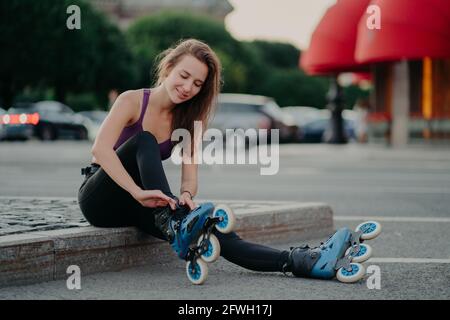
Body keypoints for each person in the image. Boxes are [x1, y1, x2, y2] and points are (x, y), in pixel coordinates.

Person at [77, 39, 362, 282]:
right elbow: (100, 151)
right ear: (169, 67)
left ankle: (304, 261)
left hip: (147, 201)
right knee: (145, 140)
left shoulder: (189, 120)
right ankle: (173, 223)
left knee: (212, 230)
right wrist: (138, 192)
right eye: (184, 75)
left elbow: (190, 177)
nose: (188, 87)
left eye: (197, 83)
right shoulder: (132, 101)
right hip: (101, 196)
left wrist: (186, 196)